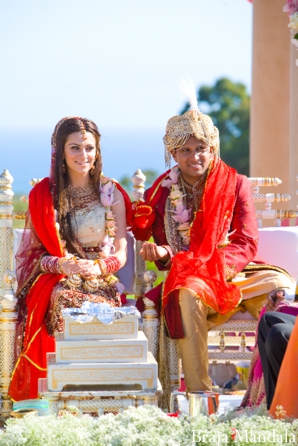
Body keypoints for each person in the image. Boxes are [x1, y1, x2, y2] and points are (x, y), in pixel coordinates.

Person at [132, 87, 295, 405]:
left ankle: (274, 390)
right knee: (187, 296)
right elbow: (166, 250)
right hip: (192, 279)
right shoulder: (161, 192)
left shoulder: (235, 183)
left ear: (213, 148)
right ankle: (201, 396)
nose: (196, 157)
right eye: (186, 150)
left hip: (236, 270)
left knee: (281, 285)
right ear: (173, 154)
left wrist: (218, 267)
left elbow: (247, 241)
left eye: (202, 148)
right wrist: (162, 254)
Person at [9, 116, 132, 402]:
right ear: (60, 152)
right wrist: (62, 264)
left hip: (101, 280)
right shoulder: (44, 196)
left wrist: (101, 266)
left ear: (98, 151)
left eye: (89, 148)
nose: (83, 155)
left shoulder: (112, 193)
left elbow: (123, 249)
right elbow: (37, 257)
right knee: (65, 300)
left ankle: (100, 396)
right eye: (75, 148)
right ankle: (66, 395)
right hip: (60, 280)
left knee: (91, 307)